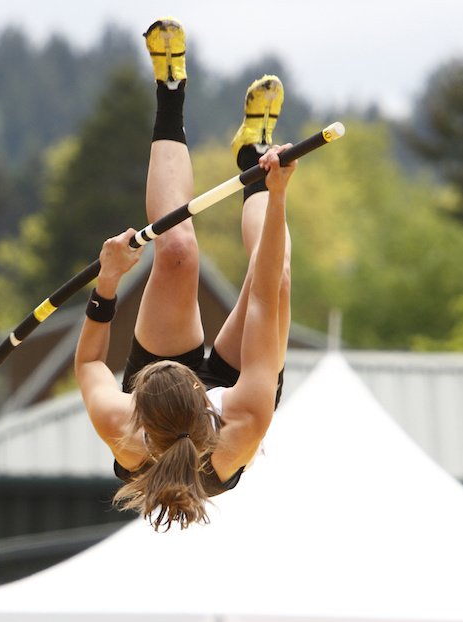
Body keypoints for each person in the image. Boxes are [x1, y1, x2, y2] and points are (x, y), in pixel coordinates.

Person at [75, 16, 296, 531]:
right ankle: (254, 159)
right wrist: (277, 193)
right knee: (279, 276)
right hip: (230, 409)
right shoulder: (244, 420)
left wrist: (108, 281)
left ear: (139, 399)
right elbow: (262, 295)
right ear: (205, 397)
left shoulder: (122, 426)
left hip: (167, 415)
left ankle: (170, 92)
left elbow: (89, 364)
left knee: (175, 251)